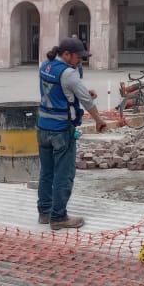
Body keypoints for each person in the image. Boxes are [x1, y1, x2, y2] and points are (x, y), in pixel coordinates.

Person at [37, 37, 108, 230]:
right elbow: (87, 101)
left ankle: (44, 212)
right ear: (66, 54)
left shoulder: (46, 66)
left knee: (47, 172)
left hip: (43, 127)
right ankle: (59, 217)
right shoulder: (69, 73)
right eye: (78, 57)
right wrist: (99, 121)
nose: (80, 61)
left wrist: (82, 91)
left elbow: (60, 91)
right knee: (64, 174)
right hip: (61, 130)